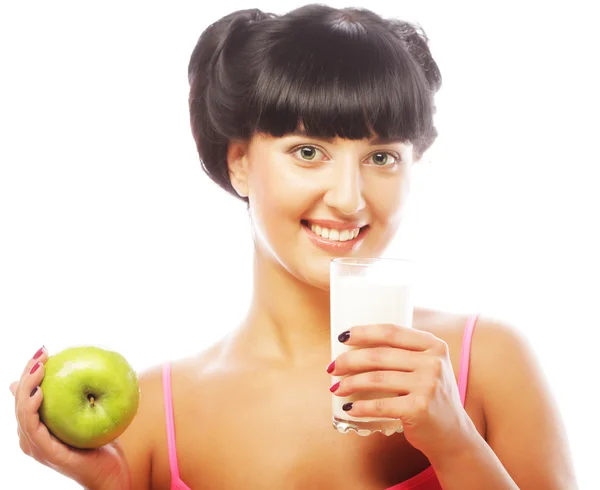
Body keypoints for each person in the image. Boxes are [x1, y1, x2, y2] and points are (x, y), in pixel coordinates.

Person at [10, 4, 577, 489]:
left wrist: (453, 442)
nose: (350, 199)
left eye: (382, 157)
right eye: (308, 151)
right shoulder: (154, 417)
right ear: (238, 162)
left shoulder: (488, 363)